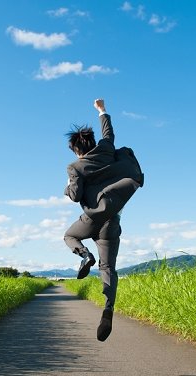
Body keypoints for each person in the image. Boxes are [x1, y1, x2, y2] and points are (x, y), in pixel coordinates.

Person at [64, 98, 142, 342]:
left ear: (76, 150)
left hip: (90, 219)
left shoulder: (75, 167)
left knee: (70, 236)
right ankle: (108, 309)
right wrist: (102, 111)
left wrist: (67, 186)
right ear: (92, 142)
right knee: (108, 268)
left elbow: (75, 195)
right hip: (112, 222)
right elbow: (108, 133)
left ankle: (85, 255)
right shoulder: (107, 149)